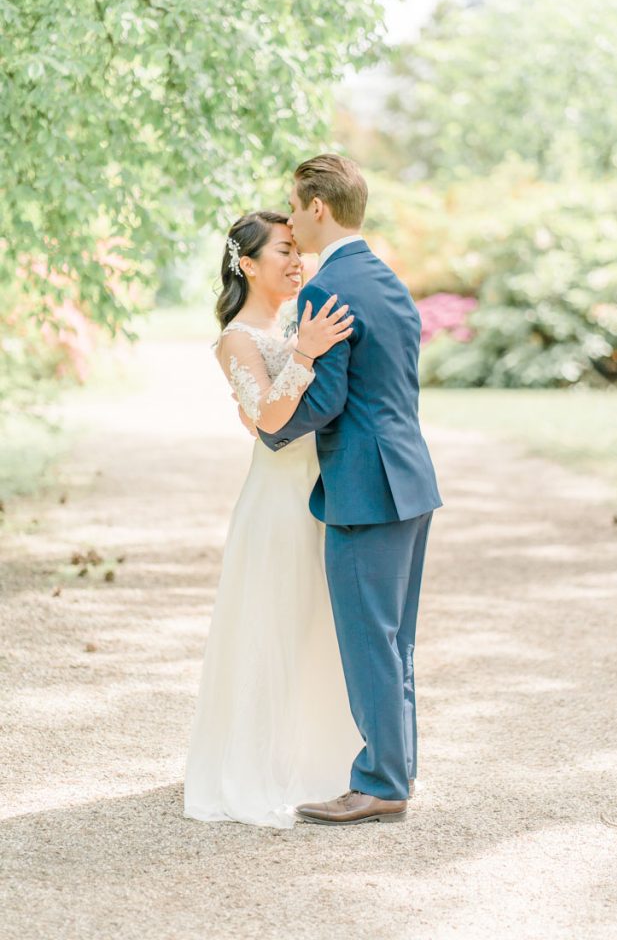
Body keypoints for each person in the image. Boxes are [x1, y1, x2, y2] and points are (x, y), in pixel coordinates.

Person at [256, 154, 443, 826]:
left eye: (293, 205)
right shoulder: (390, 283)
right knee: (395, 642)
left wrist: (269, 424)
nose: (291, 219)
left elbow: (328, 400)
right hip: (411, 480)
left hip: (365, 489)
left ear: (316, 207)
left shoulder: (324, 291)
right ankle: (396, 771)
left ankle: (381, 783)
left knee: (368, 638)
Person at [183, 210, 362, 828]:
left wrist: (303, 348)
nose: (295, 260)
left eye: (297, 249)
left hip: (321, 489)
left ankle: (319, 758)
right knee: (274, 621)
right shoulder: (238, 337)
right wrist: (305, 355)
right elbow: (269, 422)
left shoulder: (292, 323)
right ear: (248, 265)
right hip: (278, 499)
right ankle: (253, 764)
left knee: (317, 624)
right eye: (281, 251)